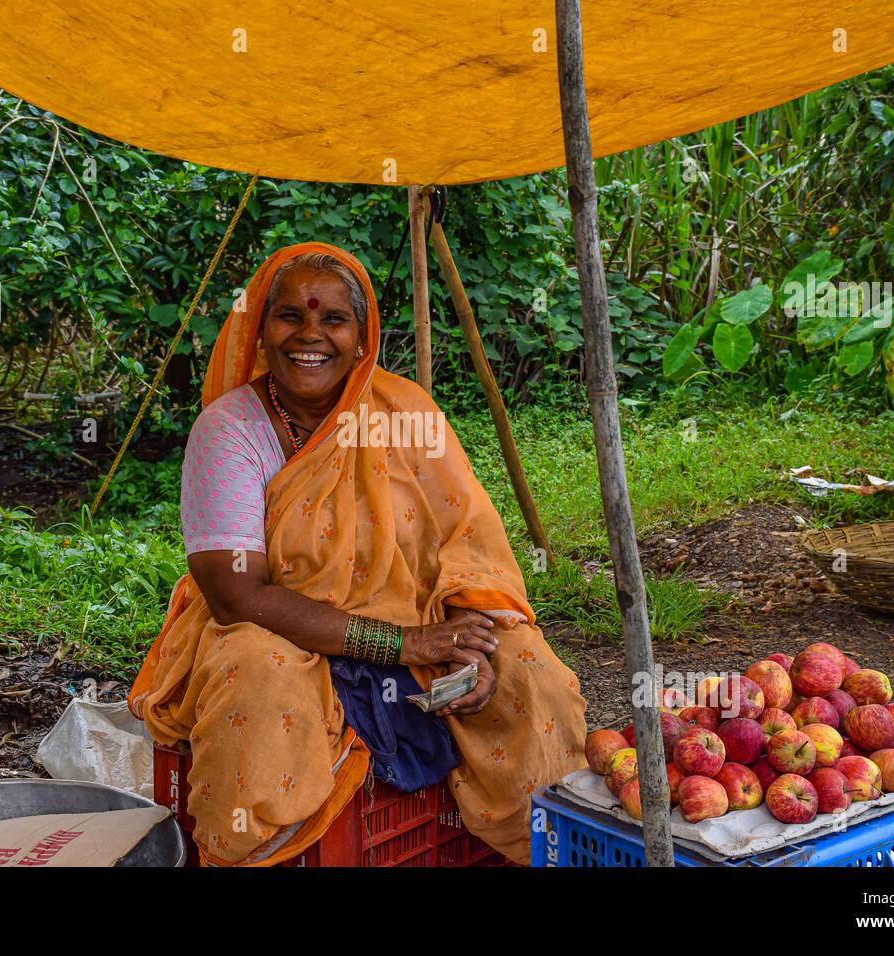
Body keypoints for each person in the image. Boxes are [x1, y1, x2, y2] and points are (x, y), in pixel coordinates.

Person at [129, 241, 586, 865]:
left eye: (333, 319)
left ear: (362, 335)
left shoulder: (404, 413)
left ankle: (539, 849)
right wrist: (402, 647)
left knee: (527, 668)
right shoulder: (230, 429)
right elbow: (237, 595)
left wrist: (469, 638)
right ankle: (255, 852)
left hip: (415, 616)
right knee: (259, 680)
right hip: (275, 627)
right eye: (290, 316)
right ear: (261, 331)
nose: (309, 335)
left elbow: (467, 546)